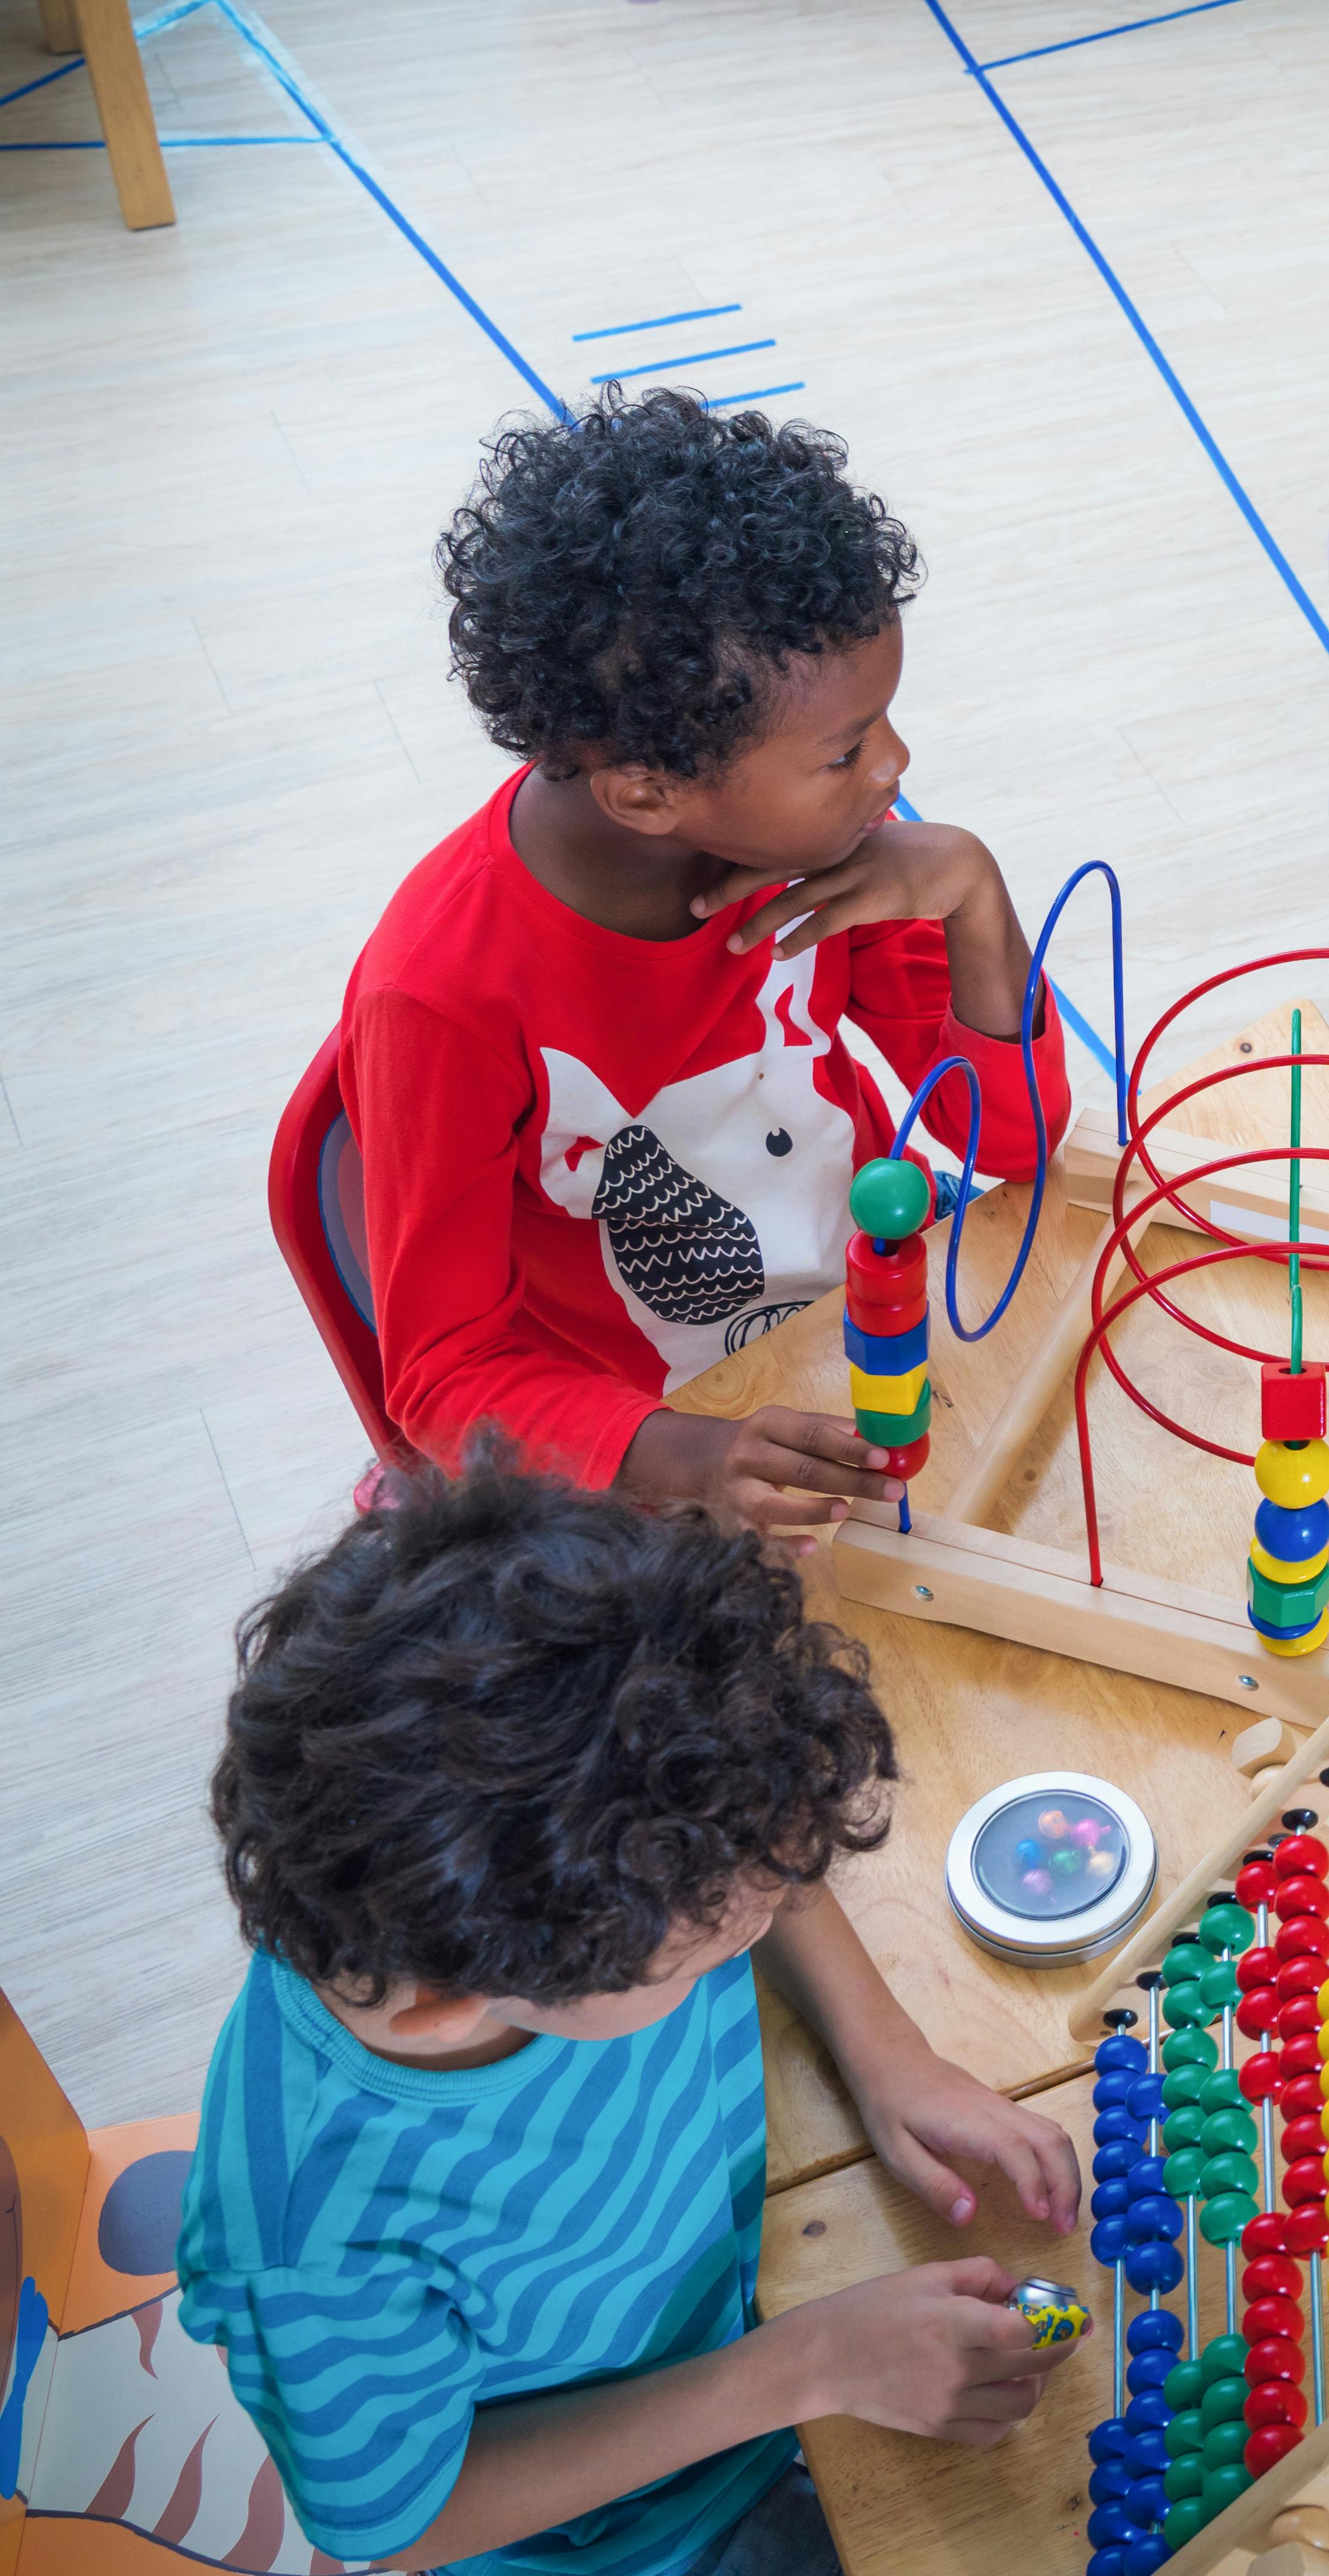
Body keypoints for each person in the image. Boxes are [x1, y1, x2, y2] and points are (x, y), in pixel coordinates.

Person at [179, 1454, 1086, 2575]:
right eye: (721, 1936)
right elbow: (406, 2521)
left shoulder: (567, 1880)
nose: (767, 1909)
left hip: (764, 2299)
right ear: (456, 2009)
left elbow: (748, 1846)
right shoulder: (317, 2245)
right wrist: (804, 2371)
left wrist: (888, 2051)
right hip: (648, 2523)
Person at [342, 388, 1070, 1539]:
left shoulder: (823, 852)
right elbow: (441, 1378)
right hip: (654, 1447)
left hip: (859, 1330)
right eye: (845, 751)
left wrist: (976, 898)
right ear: (647, 792)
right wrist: (692, 1456)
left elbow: (1019, 1146)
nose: (896, 764)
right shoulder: (439, 996)